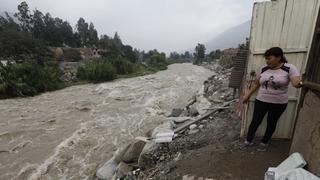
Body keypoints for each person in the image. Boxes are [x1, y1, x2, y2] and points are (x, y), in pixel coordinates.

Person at [242, 47, 303, 151]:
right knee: (255, 121)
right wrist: (247, 95)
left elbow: (296, 82)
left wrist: (299, 84)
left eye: (269, 58)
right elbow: (256, 83)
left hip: (279, 103)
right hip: (261, 100)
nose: (267, 61)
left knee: (272, 122)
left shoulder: (289, 68)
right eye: (266, 58)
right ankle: (248, 140)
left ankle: (264, 143)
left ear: (279, 57)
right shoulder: (263, 69)